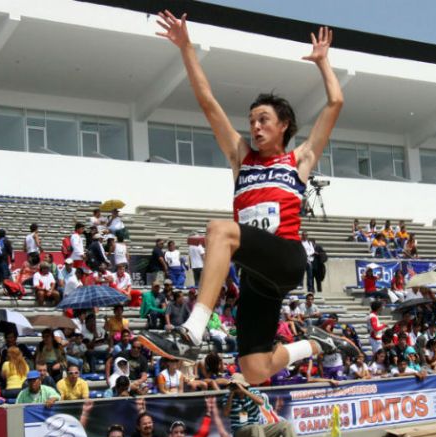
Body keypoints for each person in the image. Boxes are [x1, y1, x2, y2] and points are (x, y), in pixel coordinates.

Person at [139, 14, 357, 386]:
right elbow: (208, 103)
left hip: (286, 258)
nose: (254, 127)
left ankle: (192, 331)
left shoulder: (298, 160)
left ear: (283, 124)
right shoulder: (242, 159)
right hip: (258, 276)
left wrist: (323, 62)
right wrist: (186, 48)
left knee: (220, 230)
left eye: (263, 120)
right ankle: (316, 344)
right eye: (252, 121)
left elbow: (335, 102)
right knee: (255, 370)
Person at [223, 373, 311, 437]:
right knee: (256, 428)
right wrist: (231, 394)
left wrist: (244, 391)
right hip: (240, 433)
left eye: (237, 384)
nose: (236, 387)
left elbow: (260, 402)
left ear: (244, 384)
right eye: (233, 385)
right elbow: (226, 413)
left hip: (257, 431)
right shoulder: (228, 397)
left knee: (284, 424)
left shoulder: (253, 391)